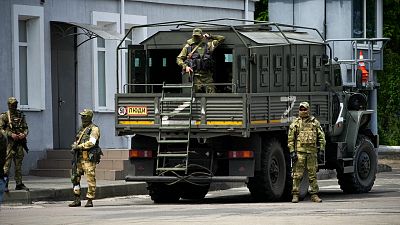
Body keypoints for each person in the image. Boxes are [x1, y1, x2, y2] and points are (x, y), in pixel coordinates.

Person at [288, 102, 326, 203]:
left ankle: (314, 195)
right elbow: (291, 139)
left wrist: (321, 150)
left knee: (312, 174)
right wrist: (292, 152)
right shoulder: (295, 123)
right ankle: (295, 194)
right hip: (300, 153)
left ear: (308, 110)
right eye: (301, 109)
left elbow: (321, 137)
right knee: (297, 175)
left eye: (305, 109)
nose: (303, 111)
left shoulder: (314, 123)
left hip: (312, 153)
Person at [69, 109, 102, 207]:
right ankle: (77, 198)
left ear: (89, 117)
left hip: (88, 157)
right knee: (75, 178)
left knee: (90, 178)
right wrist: (75, 145)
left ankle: (90, 199)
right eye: (82, 116)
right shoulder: (81, 128)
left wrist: (79, 146)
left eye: (84, 116)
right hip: (78, 157)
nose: (82, 118)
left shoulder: (94, 129)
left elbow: (92, 142)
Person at [176, 28, 225, 93]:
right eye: (195, 36)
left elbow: (222, 38)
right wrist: (185, 66)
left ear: (201, 35)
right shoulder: (188, 47)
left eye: (198, 36)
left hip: (207, 76)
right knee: (196, 97)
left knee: (211, 96)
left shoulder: (208, 45)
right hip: (196, 76)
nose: (196, 37)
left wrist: (210, 36)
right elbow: (179, 59)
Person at [0, 97, 29, 192]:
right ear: (9, 105)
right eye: (12, 104)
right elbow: (1, 129)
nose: (14, 106)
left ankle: (19, 184)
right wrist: (10, 134)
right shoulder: (4, 116)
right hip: (8, 144)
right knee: (6, 165)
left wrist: (23, 134)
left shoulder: (20, 115)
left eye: (15, 104)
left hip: (19, 144)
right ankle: (4, 185)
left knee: (18, 165)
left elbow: (26, 128)